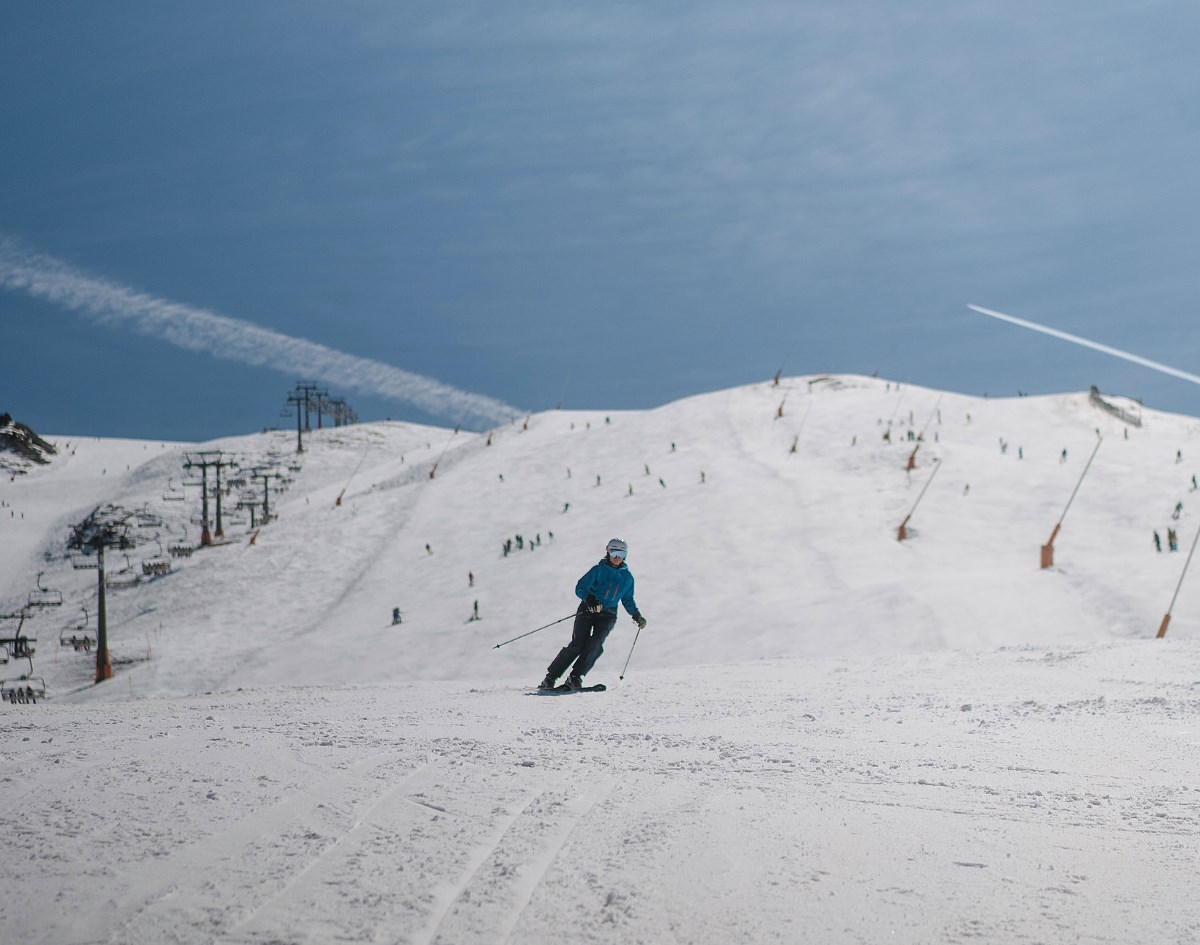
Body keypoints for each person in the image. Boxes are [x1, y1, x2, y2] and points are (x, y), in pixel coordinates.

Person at [539, 538, 647, 690]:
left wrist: (636, 615)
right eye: (614, 552)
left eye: (621, 553)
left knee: (595, 644)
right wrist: (590, 600)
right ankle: (550, 678)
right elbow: (580, 587)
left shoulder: (627, 578)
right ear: (608, 551)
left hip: (608, 614)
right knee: (578, 644)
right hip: (588, 610)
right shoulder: (598, 570)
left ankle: (576, 677)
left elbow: (627, 599)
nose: (617, 557)